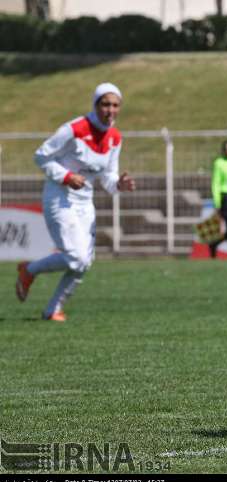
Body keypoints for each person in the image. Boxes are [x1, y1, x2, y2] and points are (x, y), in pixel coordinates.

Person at [15, 82, 136, 322]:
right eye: (105, 104)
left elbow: (109, 175)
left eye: (115, 105)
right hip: (59, 196)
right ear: (95, 104)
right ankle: (29, 270)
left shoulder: (115, 137)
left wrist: (118, 184)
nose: (110, 110)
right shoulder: (74, 128)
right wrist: (67, 177)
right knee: (77, 257)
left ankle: (53, 310)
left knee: (83, 263)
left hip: (84, 202)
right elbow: (40, 156)